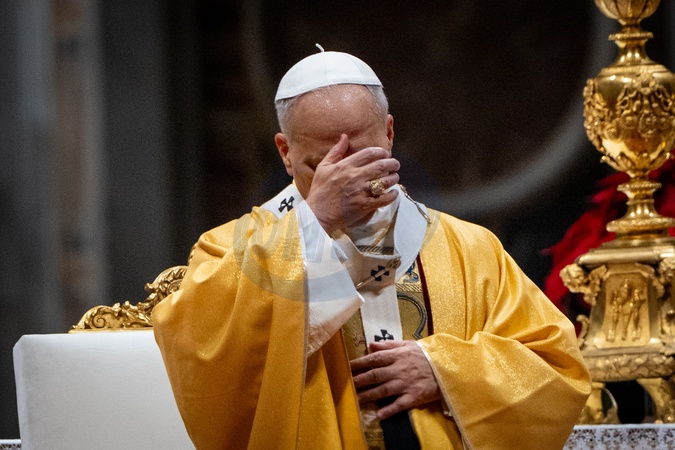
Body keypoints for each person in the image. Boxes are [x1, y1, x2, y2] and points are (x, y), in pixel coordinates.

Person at [152, 48, 591, 450]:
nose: (347, 178)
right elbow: (208, 371)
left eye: (362, 156)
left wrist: (445, 371)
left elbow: (555, 367)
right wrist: (317, 220)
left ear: (389, 132)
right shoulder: (231, 251)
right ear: (285, 152)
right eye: (323, 164)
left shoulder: (470, 249)